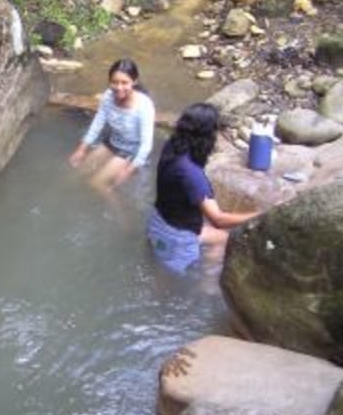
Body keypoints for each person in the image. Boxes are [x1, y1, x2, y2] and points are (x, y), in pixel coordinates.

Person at [147, 102, 258, 273]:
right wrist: (260, 214)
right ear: (208, 135)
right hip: (177, 239)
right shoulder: (191, 174)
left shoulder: (172, 146)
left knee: (222, 239)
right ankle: (207, 286)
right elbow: (218, 220)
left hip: (157, 223)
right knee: (172, 284)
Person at [68, 58, 155, 193]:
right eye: (115, 82)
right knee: (77, 173)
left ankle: (122, 214)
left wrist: (128, 170)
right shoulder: (108, 96)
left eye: (124, 83)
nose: (119, 88)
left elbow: (146, 145)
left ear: (134, 81)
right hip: (112, 142)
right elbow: (98, 123)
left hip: (131, 151)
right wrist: (82, 149)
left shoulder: (144, 106)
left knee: (97, 184)